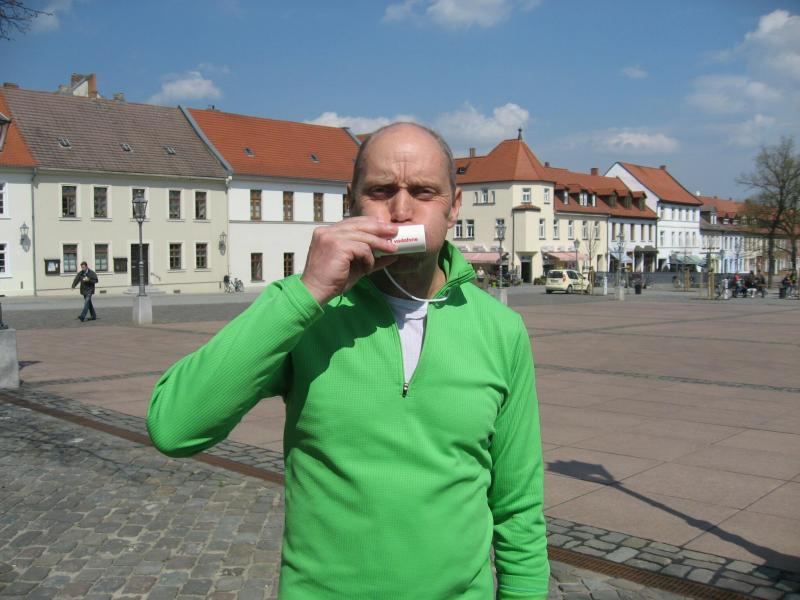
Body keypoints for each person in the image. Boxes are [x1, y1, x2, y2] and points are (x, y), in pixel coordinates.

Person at [147, 122, 549, 600]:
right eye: (381, 191)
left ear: (454, 206)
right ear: (350, 202)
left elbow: (518, 507)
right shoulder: (304, 308)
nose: (401, 210)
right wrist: (309, 292)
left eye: (423, 192)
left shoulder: (501, 329)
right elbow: (174, 428)